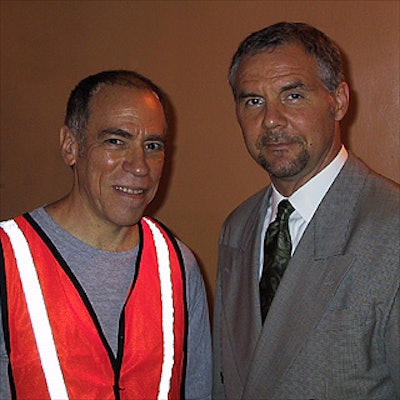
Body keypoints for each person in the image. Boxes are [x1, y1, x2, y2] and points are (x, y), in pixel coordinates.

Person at [213, 22, 399, 399]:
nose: (271, 120)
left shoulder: (391, 229)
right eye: (253, 101)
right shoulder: (238, 228)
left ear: (339, 100)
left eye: (293, 96)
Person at [0, 70, 212, 399]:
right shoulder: (9, 259)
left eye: (152, 145)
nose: (139, 165)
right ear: (71, 147)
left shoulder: (178, 267)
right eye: (116, 141)